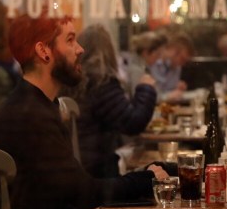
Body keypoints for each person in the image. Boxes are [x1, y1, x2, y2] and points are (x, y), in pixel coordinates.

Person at [0, 14, 168, 209]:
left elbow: (52, 192)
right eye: (70, 40)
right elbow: (85, 191)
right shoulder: (30, 115)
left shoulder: (36, 105)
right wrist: (148, 178)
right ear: (43, 51)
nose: (80, 49)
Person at [62, 24, 157, 178]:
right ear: (109, 51)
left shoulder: (73, 80)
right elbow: (132, 122)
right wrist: (146, 88)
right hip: (97, 172)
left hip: (77, 166)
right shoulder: (101, 82)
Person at [149, 31, 194, 101]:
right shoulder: (153, 63)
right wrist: (168, 96)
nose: (183, 64)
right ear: (174, 51)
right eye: (182, 59)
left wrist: (177, 88)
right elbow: (151, 96)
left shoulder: (177, 67)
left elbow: (170, 91)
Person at [120, 30, 166, 96]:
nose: (158, 59)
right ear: (145, 52)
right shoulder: (136, 70)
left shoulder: (145, 68)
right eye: (157, 54)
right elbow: (139, 96)